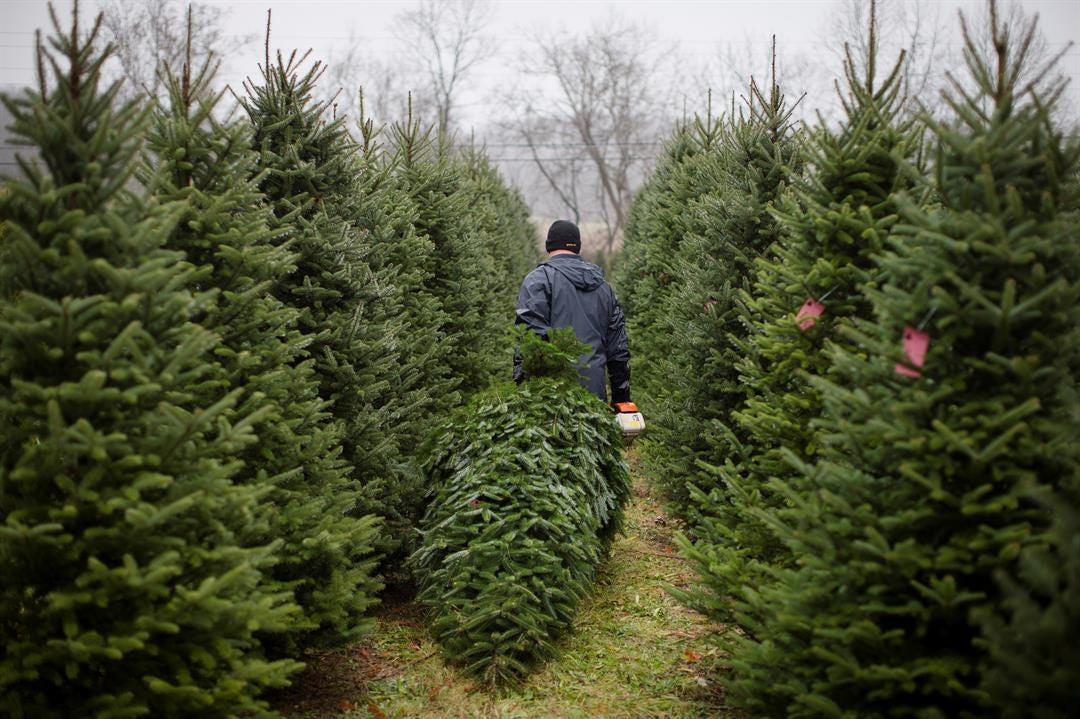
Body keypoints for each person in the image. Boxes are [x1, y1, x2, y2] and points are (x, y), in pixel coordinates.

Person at [514, 219, 631, 404]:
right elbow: (618, 350)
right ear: (578, 247)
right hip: (595, 399)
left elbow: (529, 340)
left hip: (549, 402)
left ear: (548, 246)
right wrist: (621, 400)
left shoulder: (538, 280)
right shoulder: (604, 288)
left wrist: (521, 390)